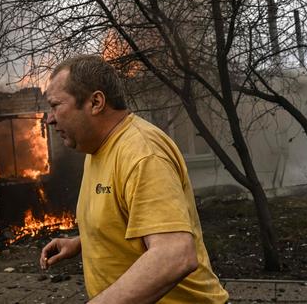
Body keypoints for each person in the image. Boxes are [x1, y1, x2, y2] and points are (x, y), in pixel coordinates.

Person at [40, 55, 228, 303]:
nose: (49, 118)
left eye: (55, 106)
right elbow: (128, 221)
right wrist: (83, 242)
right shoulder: (97, 148)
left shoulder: (142, 153)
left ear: (95, 102)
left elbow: (175, 254)